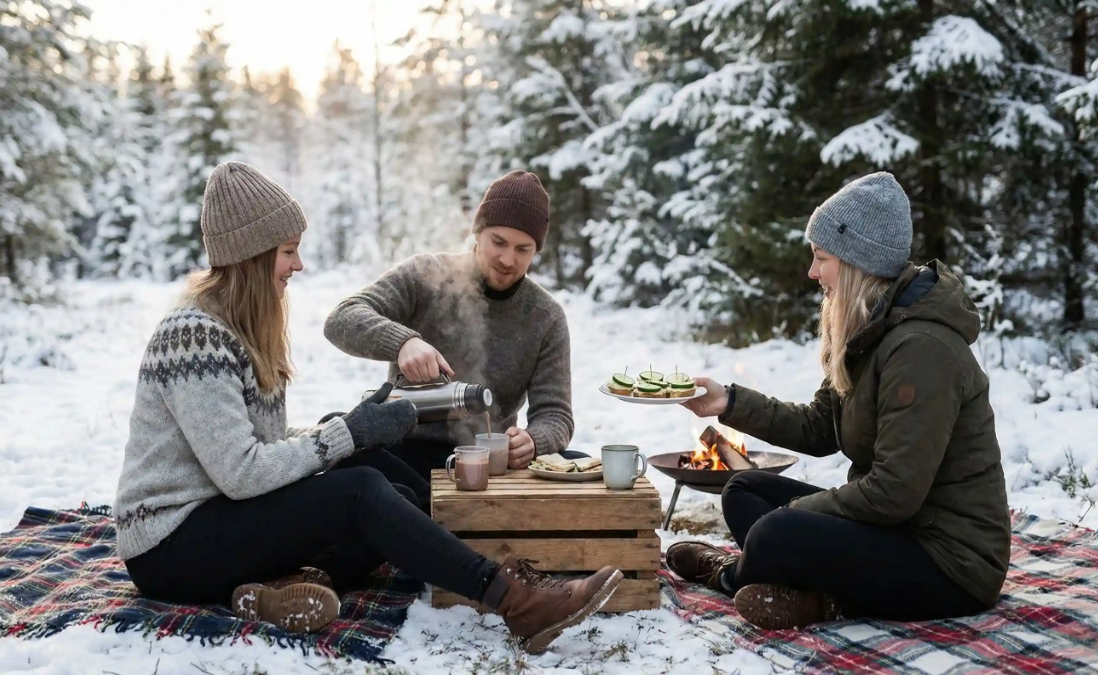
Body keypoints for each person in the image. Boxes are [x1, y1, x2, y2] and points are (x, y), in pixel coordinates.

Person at [114, 162, 621, 653]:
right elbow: (241, 472)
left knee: (389, 486)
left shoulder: (238, 328)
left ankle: (300, 583)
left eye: (524, 248)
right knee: (359, 491)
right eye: (289, 251)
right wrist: (348, 430)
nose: (299, 265)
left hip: (220, 514)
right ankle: (516, 601)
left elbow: (253, 452)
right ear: (252, 255)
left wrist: (338, 433)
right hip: (169, 543)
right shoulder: (195, 336)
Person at [667, 172, 1011, 630]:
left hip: (949, 562)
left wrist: (797, 515)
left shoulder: (922, 351)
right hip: (897, 532)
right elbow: (818, 427)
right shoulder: (873, 331)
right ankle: (812, 592)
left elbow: (893, 495)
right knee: (745, 489)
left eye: (821, 258)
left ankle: (730, 576)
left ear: (857, 263)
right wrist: (728, 402)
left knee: (777, 530)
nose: (812, 272)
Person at [324, 170, 579, 487]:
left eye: (522, 249)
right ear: (478, 231)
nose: (507, 259)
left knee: (579, 465)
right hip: (406, 451)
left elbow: (556, 415)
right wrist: (403, 343)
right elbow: (341, 318)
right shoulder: (425, 275)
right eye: (498, 242)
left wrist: (534, 440)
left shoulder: (546, 316)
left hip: (489, 462)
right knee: (346, 446)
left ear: (536, 250)